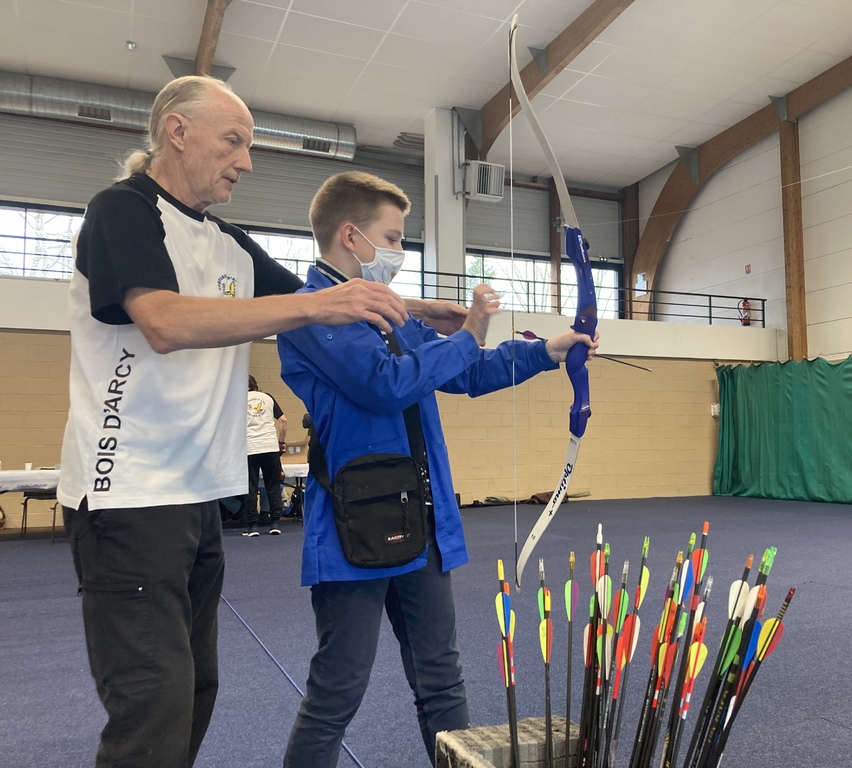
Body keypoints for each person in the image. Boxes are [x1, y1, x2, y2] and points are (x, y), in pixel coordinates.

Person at [56, 75, 412, 768]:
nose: (246, 161)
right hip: (128, 494)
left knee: (195, 691)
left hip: (196, 495)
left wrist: (425, 311)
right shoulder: (123, 210)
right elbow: (163, 321)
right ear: (177, 131)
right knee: (152, 704)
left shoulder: (227, 241)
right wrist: (319, 306)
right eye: (233, 141)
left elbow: (314, 296)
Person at [277, 171, 598, 767]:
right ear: (350, 235)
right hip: (355, 528)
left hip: (423, 524)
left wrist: (546, 351)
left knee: (442, 684)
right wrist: (470, 331)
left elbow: (466, 371)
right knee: (337, 690)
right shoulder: (311, 311)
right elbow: (386, 385)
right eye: (392, 238)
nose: (399, 251)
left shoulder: (388, 310)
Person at [244, 374, 288, 536]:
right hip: (270, 446)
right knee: (272, 486)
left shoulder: (238, 400)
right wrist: (281, 441)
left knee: (251, 487)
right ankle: (275, 522)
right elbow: (283, 421)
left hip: (250, 447)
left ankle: (252, 526)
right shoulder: (267, 398)